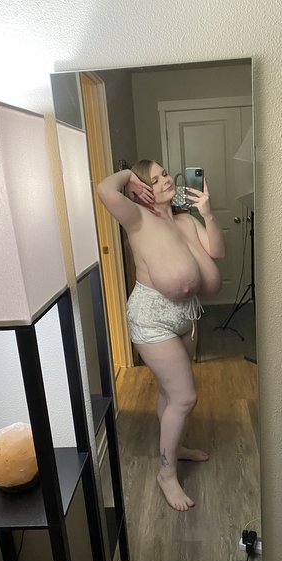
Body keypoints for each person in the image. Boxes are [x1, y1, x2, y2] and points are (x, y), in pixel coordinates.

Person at [97, 160, 225, 511]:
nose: (165, 180)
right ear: (142, 190)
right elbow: (105, 189)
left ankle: (175, 447)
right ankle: (166, 475)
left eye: (165, 174)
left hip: (185, 316)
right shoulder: (137, 219)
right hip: (152, 320)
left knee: (170, 392)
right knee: (184, 398)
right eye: (154, 180)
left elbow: (217, 251)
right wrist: (129, 177)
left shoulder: (185, 221)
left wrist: (207, 214)